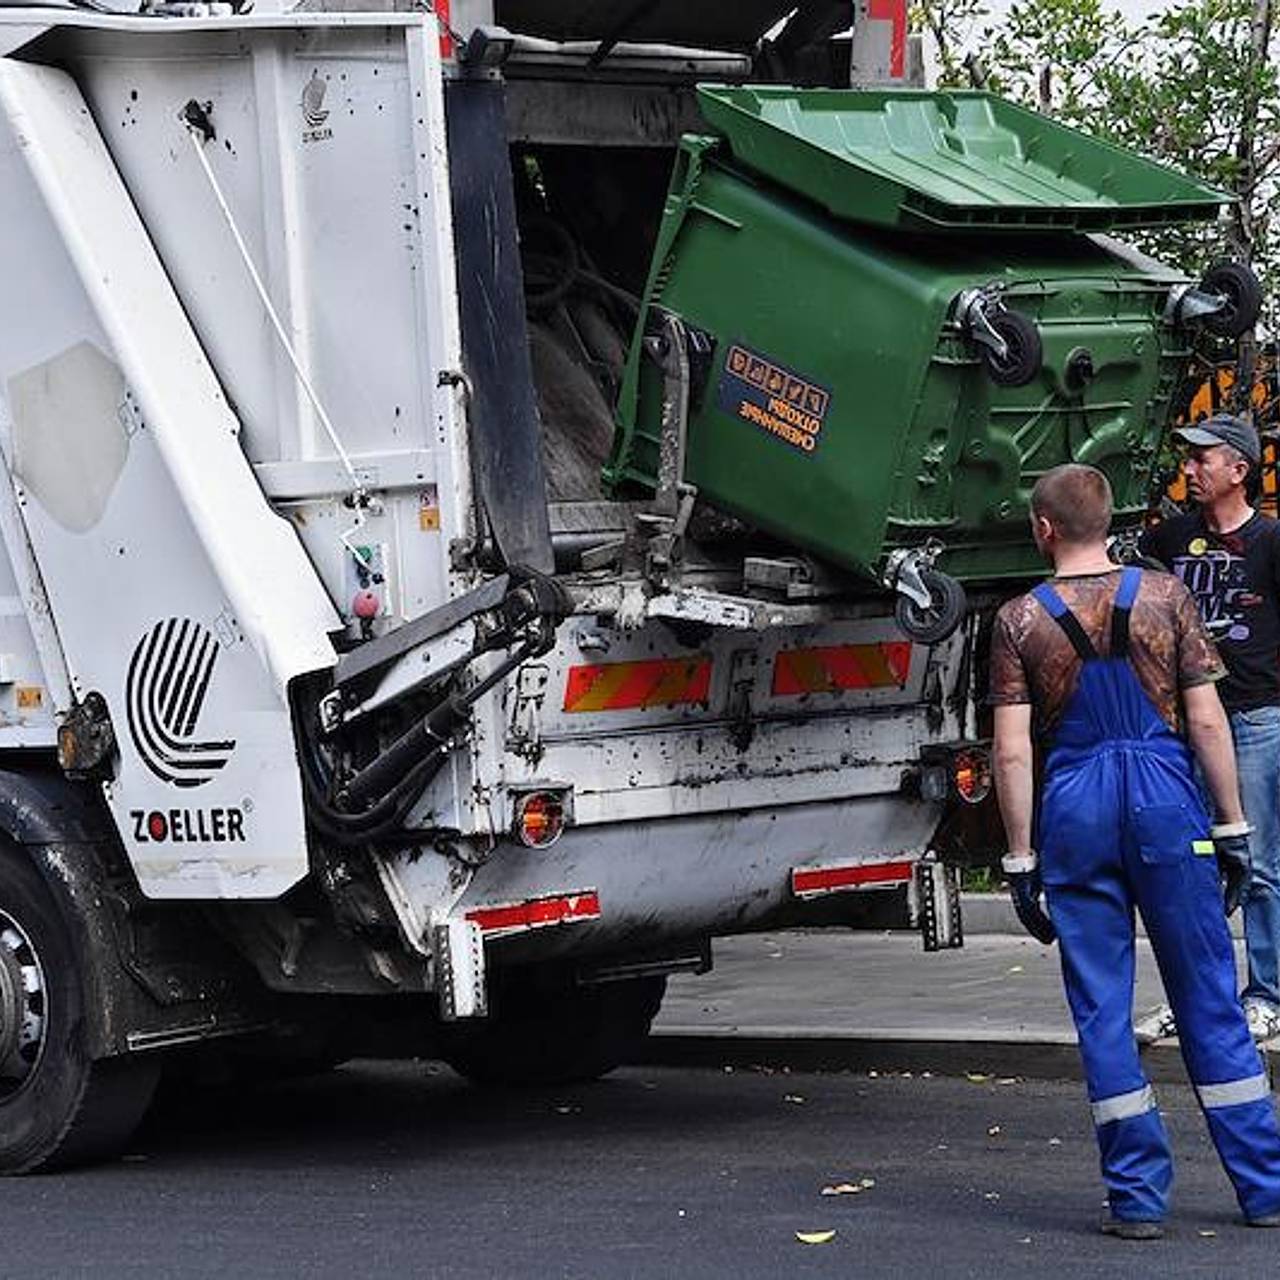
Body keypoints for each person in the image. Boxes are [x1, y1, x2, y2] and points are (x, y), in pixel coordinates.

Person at [990, 462, 1280, 1238]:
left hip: (1076, 804)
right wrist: (1232, 829)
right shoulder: (1166, 597)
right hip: (1164, 798)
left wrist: (1021, 859)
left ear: (1044, 528)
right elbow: (1211, 723)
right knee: (1208, 995)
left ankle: (1139, 1199)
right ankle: (1265, 1187)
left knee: (1102, 1007)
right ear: (1107, 519)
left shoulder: (1020, 621)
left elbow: (1013, 753)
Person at [1140, 413, 1280, 1044]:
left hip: (1254, 718)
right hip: (1184, 725)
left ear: (1239, 471)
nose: (1189, 469)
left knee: (1256, 862)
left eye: (1203, 459)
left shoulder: (1272, 543)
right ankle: (1200, 1000)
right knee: (1189, 866)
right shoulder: (1170, 540)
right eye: (1188, 459)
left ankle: (1266, 995)